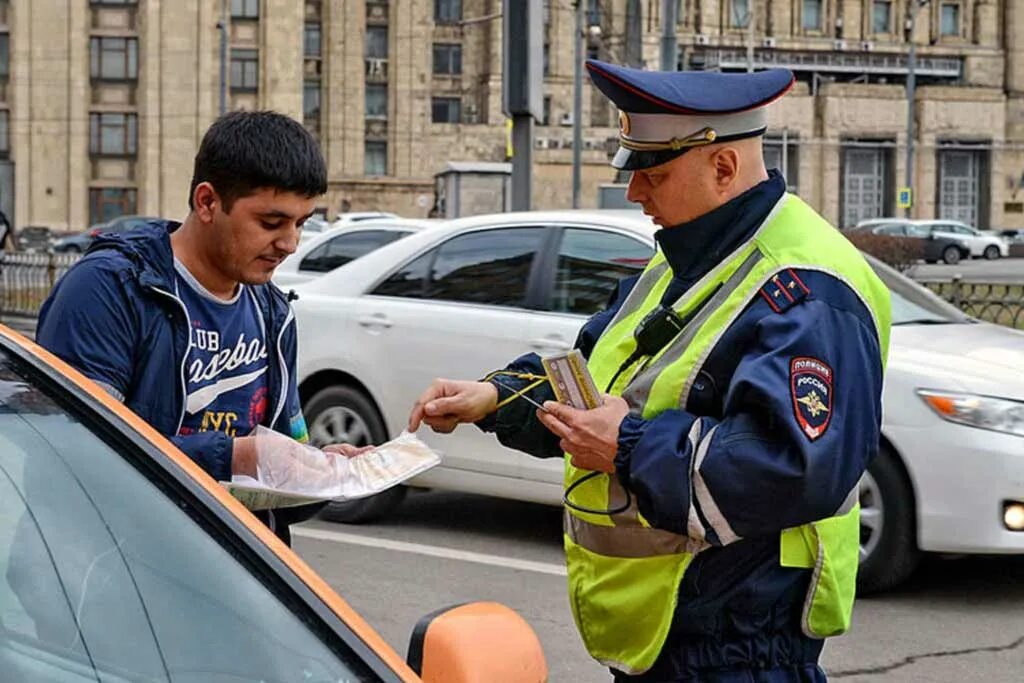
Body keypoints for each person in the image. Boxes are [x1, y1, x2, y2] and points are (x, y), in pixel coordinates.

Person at [409, 61, 891, 682]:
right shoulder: (687, 257)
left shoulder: (807, 285)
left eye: (653, 174)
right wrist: (497, 398)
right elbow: (600, 375)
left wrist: (628, 446)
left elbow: (796, 466)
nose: (635, 195)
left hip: (740, 650)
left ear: (723, 168)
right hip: (672, 642)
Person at [35, 110, 367, 545]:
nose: (289, 244)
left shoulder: (272, 311)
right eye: (271, 223)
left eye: (300, 223)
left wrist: (324, 473)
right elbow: (78, 449)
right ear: (207, 202)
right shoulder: (110, 288)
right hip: (112, 575)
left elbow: (279, 473)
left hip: (231, 571)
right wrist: (234, 457)